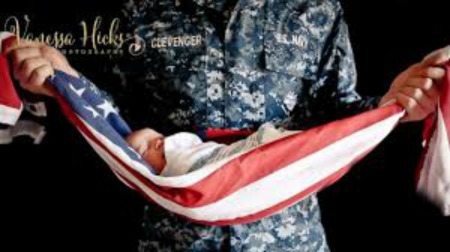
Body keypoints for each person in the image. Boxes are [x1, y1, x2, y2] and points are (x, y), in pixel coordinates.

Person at [5, 0, 449, 250]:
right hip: (175, 238)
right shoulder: (138, 11)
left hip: (286, 241)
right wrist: (66, 81)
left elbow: (335, 116)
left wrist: (394, 106)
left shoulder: (314, 11)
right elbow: (115, 121)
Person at [126, 123, 296, 176]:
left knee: (268, 144)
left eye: (140, 154)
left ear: (158, 144)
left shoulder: (174, 145)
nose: (137, 162)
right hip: (180, 233)